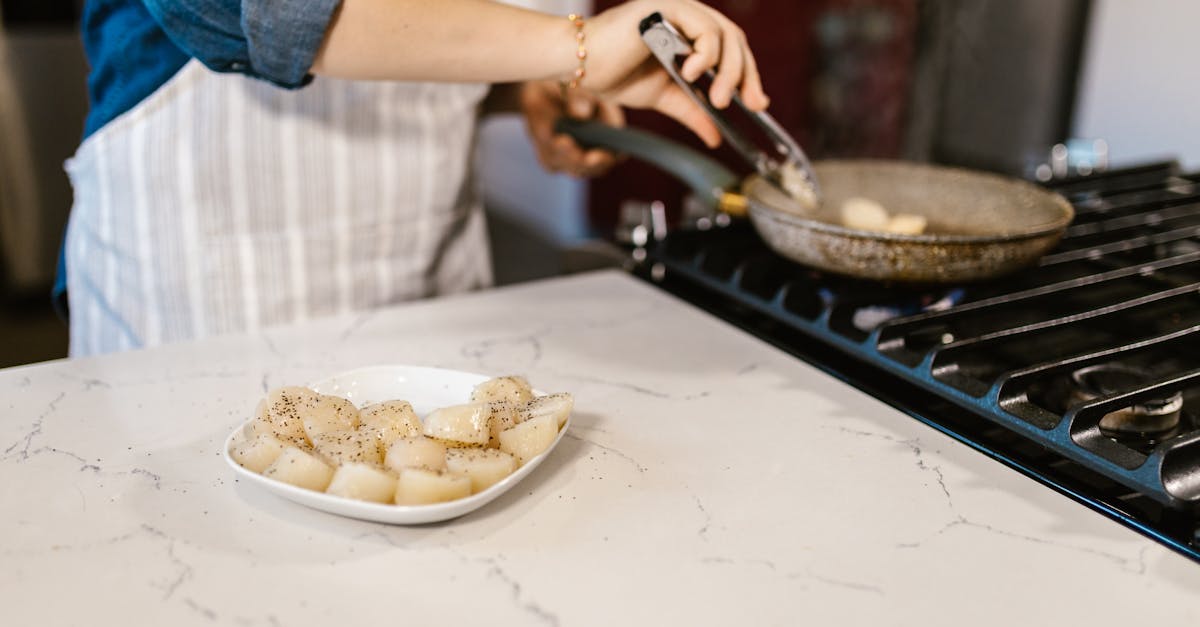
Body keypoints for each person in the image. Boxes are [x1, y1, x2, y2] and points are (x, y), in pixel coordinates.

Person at [63, 0, 769, 356]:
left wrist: (529, 84)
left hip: (430, 276)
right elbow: (262, 13)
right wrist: (571, 48)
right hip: (210, 286)